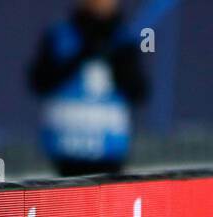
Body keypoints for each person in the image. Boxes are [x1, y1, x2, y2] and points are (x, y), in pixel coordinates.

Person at [27, 0, 150, 178]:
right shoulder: (59, 35)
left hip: (109, 155)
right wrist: (80, 56)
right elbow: (40, 82)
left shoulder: (124, 41)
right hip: (62, 157)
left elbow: (139, 92)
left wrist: (118, 62)